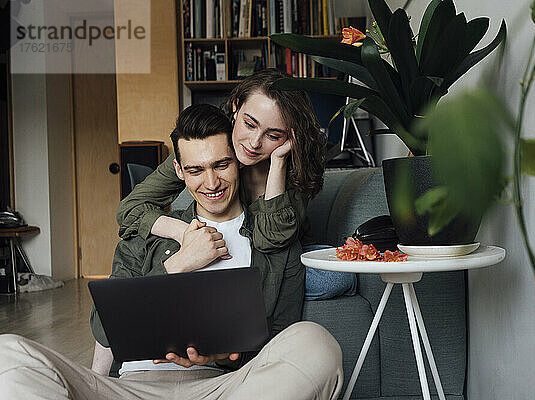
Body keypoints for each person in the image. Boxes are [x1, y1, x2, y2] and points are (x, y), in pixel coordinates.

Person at [0, 104, 343, 400]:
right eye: (195, 170)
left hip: (224, 388)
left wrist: (225, 357)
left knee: (316, 343)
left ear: (238, 163)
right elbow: (104, 331)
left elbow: (278, 338)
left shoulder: (272, 240)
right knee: (8, 353)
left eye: (221, 165)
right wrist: (178, 263)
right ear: (179, 171)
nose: (211, 183)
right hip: (134, 388)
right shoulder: (147, 235)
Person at [117, 68, 356, 300]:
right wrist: (185, 233)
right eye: (249, 124)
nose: (253, 143)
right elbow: (129, 209)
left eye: (273, 135)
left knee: (336, 276)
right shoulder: (206, 146)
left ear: (291, 137)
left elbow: (270, 241)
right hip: (211, 243)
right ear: (236, 107)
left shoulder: (295, 165)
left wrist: (279, 161)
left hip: (279, 259)